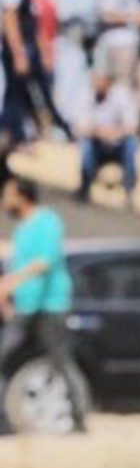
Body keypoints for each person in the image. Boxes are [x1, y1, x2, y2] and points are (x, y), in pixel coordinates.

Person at [0, 177, 89, 432]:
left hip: (51, 304)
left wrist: (9, 282)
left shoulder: (47, 221)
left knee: (61, 359)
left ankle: (79, 417)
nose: (4, 200)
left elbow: (45, 261)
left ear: (22, 196)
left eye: (8, 194)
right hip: (25, 305)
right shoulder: (20, 229)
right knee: (4, 357)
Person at [2, 0, 71, 144]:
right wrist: (18, 53)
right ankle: (10, 135)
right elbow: (10, 21)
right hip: (20, 48)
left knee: (28, 93)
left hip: (28, 47)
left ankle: (18, 135)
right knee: (17, 94)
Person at [76, 70, 140, 207]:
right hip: (97, 144)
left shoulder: (122, 95)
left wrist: (113, 133)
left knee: (132, 144)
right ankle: (85, 186)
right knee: (85, 145)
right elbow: (80, 127)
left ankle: (129, 190)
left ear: (109, 82)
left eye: (101, 80)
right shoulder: (85, 95)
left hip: (119, 144)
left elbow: (133, 126)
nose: (97, 83)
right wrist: (101, 132)